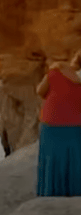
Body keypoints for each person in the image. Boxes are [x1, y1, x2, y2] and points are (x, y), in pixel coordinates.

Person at [36, 49, 81, 196]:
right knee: (75, 159)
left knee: (52, 159)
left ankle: (51, 191)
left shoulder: (56, 71)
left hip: (51, 124)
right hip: (76, 126)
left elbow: (40, 91)